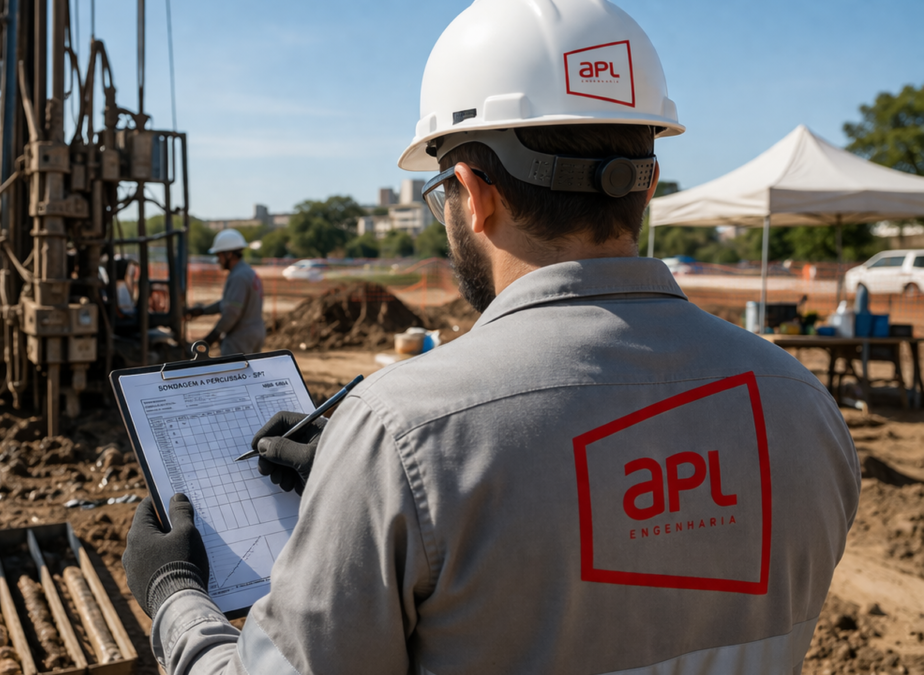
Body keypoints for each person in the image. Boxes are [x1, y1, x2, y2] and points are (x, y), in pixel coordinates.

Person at [122, 1, 860, 673]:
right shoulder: (804, 406)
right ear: (649, 182)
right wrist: (367, 499)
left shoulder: (400, 430)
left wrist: (176, 594)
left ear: (474, 195)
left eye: (441, 191)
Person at [187, 228, 265, 355]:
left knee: (235, 374)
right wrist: (203, 311)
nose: (218, 260)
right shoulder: (247, 272)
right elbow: (229, 303)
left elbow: (232, 313)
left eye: (219, 255)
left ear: (229, 254)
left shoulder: (238, 277)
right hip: (254, 333)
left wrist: (212, 337)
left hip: (240, 338)